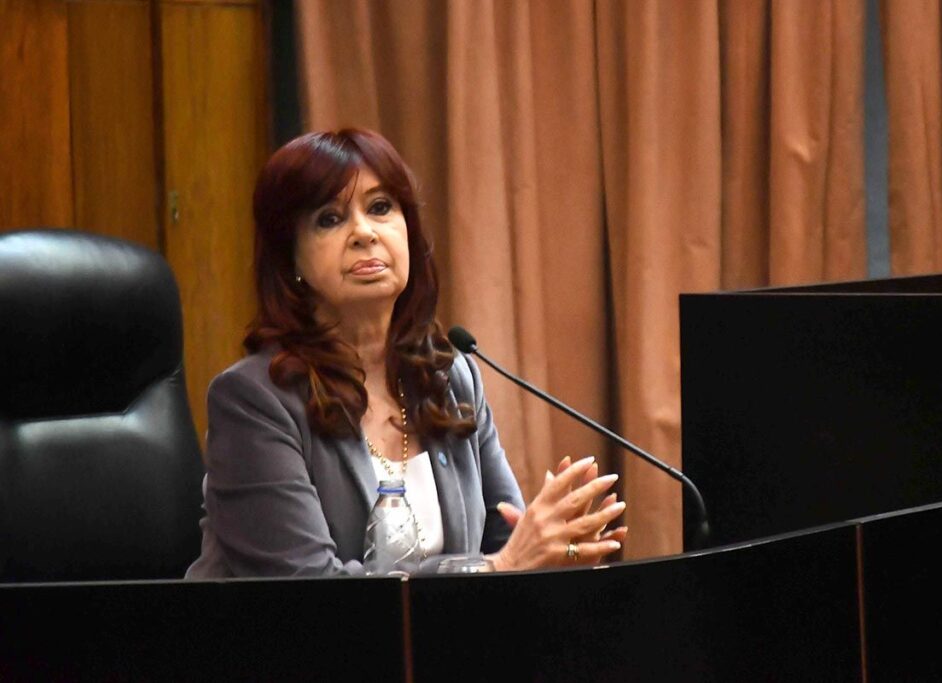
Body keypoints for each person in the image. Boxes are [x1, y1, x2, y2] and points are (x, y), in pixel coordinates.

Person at [185, 128, 627, 578]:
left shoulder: (449, 378)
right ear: (290, 257)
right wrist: (501, 566)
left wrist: (555, 559)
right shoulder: (254, 401)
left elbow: (507, 545)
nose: (364, 233)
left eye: (380, 208)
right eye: (329, 218)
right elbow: (310, 588)